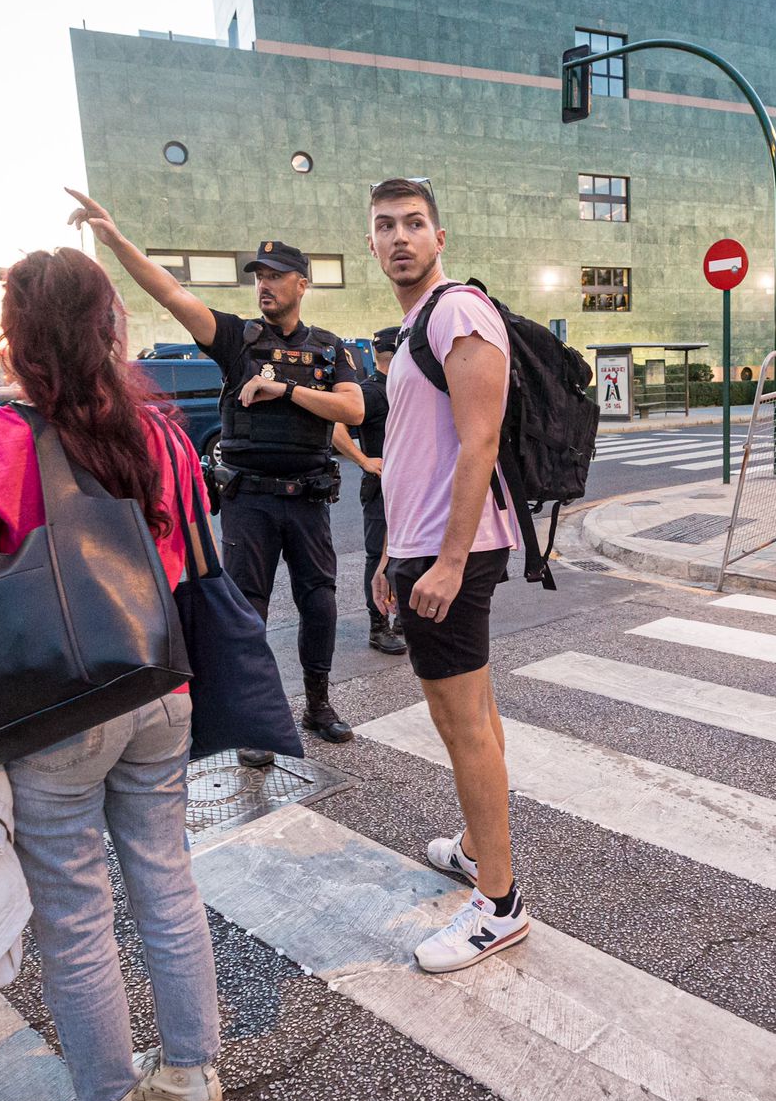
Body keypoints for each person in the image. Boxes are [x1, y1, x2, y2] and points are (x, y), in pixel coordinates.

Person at [0, 248, 221, 1101]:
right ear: (107, 327)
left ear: (16, 333)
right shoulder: (156, 429)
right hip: (162, 686)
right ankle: (194, 1073)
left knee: (76, 913)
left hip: (58, 710)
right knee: (166, 878)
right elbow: (192, 554)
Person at [65, 190, 365, 766]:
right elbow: (170, 291)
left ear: (303, 284)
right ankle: (253, 721)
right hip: (249, 499)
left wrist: (283, 389)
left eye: (277, 276)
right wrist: (115, 239)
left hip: (308, 500)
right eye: (259, 276)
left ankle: (319, 705)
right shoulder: (237, 340)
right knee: (247, 612)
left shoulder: (330, 350)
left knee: (320, 604)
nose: (265, 285)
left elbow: (352, 412)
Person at [364, 176, 529, 974]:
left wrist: (448, 562)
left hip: (451, 552)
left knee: (462, 727)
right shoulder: (415, 328)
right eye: (386, 226)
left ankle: (498, 906)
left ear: (440, 239)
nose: (400, 237)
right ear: (372, 243)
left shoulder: (458, 311)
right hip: (423, 547)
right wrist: (392, 557)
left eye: (414, 224)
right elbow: (410, 456)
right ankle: (476, 849)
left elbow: (479, 443)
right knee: (477, 718)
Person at [333, 325, 406, 655]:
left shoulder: (404, 388)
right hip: (381, 486)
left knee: (411, 553)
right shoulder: (371, 392)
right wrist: (363, 460)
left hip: (410, 487)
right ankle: (379, 628)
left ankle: (404, 622)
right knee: (379, 556)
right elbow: (335, 426)